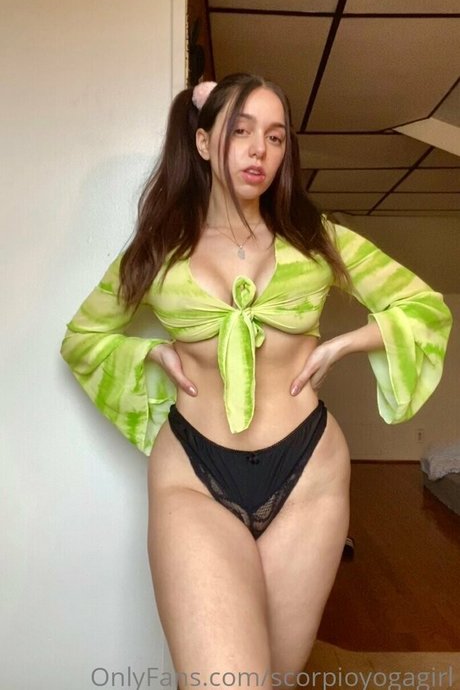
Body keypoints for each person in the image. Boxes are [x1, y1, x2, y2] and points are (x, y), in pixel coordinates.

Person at [60, 74, 452, 688]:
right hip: (194, 476)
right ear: (203, 143)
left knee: (275, 677)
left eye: (274, 136)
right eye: (240, 131)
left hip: (309, 476)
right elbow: (83, 337)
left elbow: (423, 308)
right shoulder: (158, 250)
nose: (258, 150)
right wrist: (149, 354)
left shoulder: (318, 241)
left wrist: (346, 343)